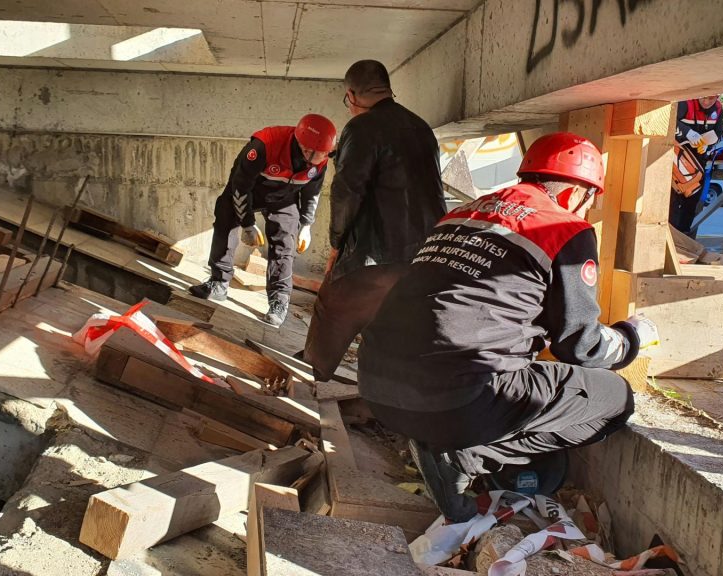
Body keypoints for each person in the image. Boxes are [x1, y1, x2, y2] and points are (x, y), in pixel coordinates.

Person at [356, 133, 659, 523]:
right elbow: (579, 346)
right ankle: (465, 457)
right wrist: (631, 337)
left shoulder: (461, 215)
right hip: (456, 402)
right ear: (574, 195)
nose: (587, 212)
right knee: (616, 400)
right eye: (590, 202)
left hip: (377, 388)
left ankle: (449, 444)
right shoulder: (565, 228)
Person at [301, 59, 446, 381]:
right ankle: (384, 397)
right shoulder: (420, 127)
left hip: (377, 250)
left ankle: (310, 376)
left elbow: (348, 191)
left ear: (351, 96)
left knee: (333, 306)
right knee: (393, 324)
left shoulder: (361, 127)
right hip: (426, 250)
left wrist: (336, 244)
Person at [189, 114, 337, 326]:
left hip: (284, 198)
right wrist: (247, 223)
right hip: (250, 191)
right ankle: (218, 282)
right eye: (313, 154)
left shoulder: (320, 161)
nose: (318, 160)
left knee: (286, 242)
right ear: (302, 145)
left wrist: (306, 224)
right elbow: (239, 187)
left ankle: (279, 300)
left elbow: (312, 193)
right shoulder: (264, 145)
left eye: (323, 155)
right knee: (225, 221)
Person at [669, 95, 723, 237]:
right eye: (704, 98)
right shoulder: (685, 103)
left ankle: (684, 240)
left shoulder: (718, 109)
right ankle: (670, 238)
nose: (706, 102)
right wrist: (688, 133)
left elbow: (720, 133)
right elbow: (669, 120)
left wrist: (708, 144)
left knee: (692, 204)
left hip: (698, 164)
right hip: (677, 162)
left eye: (711, 99)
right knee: (673, 203)